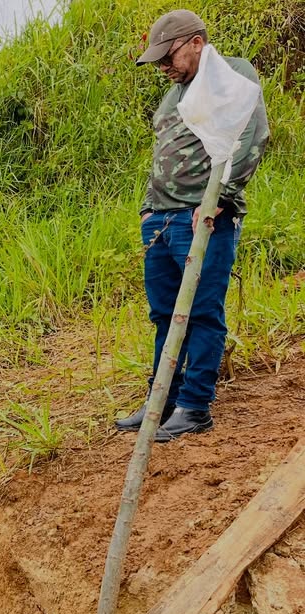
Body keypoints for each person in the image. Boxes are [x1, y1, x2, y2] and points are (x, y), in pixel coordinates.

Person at [117, 9, 269, 441]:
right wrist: (148, 210)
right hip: (161, 220)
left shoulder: (231, 73)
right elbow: (163, 152)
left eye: (169, 56)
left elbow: (254, 135)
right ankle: (161, 399)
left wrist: (219, 197)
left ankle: (194, 406)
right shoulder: (174, 93)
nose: (163, 66)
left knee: (200, 312)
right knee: (165, 313)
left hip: (201, 217)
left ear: (197, 43)